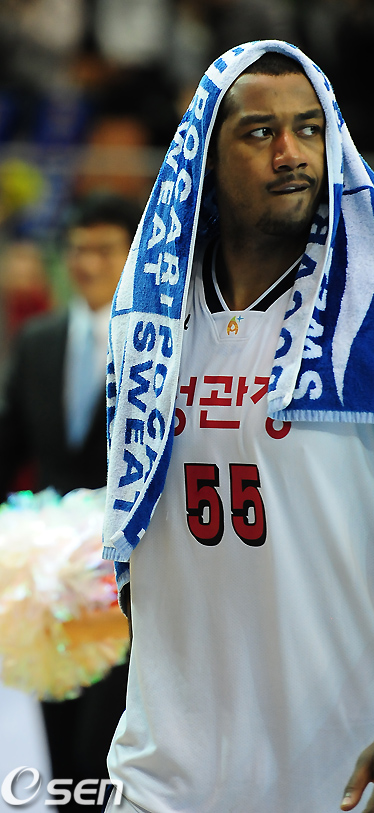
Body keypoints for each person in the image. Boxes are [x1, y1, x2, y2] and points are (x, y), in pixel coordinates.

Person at [102, 42, 374, 812]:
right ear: (205, 159)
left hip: (352, 776)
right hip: (163, 780)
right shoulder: (148, 323)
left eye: (310, 129)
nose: (291, 153)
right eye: (260, 132)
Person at [0, 192, 141, 811]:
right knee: (59, 751)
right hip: (50, 585)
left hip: (128, 580)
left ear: (132, 255)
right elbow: (11, 443)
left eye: (104, 250)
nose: (88, 263)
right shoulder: (38, 341)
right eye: (78, 250)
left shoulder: (157, 347)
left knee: (102, 749)